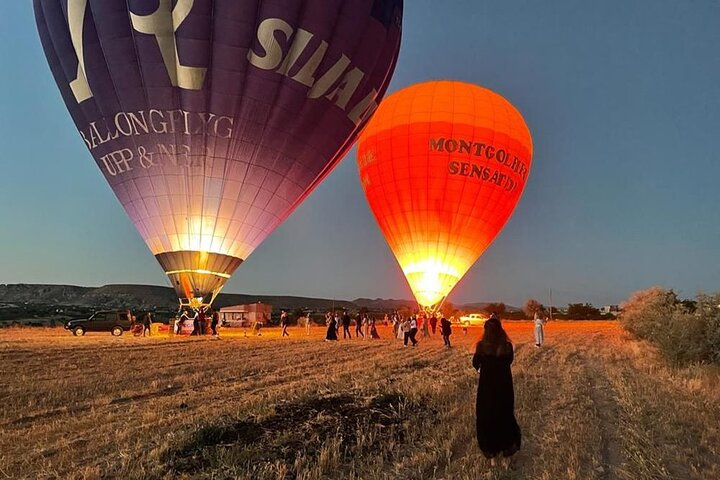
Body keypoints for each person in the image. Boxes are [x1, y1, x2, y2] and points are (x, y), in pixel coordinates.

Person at [472, 316, 521, 461]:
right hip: (504, 385)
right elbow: (509, 361)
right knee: (504, 412)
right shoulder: (507, 346)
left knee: (487, 414)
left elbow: (475, 363)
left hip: (487, 386)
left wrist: (483, 369)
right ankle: (506, 445)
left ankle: (490, 448)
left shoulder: (481, 346)